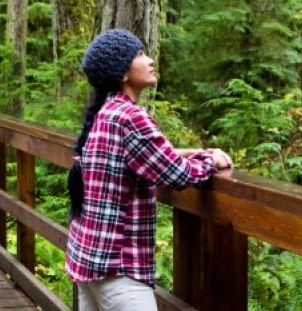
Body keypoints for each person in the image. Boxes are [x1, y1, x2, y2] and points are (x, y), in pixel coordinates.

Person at [65, 29, 232, 311]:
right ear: (122, 73)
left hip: (89, 256)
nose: (150, 60)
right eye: (140, 54)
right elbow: (176, 173)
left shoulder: (107, 112)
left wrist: (191, 152)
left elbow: (142, 155)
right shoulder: (130, 116)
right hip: (118, 265)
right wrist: (210, 161)